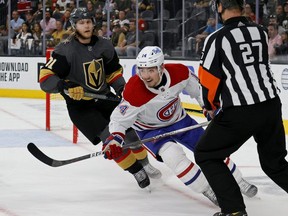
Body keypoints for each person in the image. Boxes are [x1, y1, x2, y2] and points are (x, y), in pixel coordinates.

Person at [103, 46, 258, 206]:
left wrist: (209, 109)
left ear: (161, 67)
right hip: (150, 130)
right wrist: (114, 140)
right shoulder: (134, 90)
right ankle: (208, 189)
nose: (145, 76)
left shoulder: (179, 73)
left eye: (150, 70)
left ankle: (238, 181)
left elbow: (199, 91)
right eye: (142, 70)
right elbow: (119, 120)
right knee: (174, 157)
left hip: (180, 120)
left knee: (211, 149)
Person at [39, 8, 161, 189]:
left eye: (88, 21)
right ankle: (137, 171)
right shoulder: (65, 49)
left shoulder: (104, 44)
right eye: (81, 22)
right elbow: (45, 77)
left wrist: (121, 88)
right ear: (74, 26)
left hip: (105, 98)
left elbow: (112, 71)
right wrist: (63, 86)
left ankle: (145, 164)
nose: (86, 25)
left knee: (130, 133)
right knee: (111, 140)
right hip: (81, 108)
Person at [194, 0, 288, 215]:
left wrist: (210, 106)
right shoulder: (261, 32)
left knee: (206, 154)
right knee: (275, 164)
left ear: (219, 7)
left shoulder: (216, 39)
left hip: (240, 110)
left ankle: (234, 210)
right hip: (271, 105)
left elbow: (208, 79)